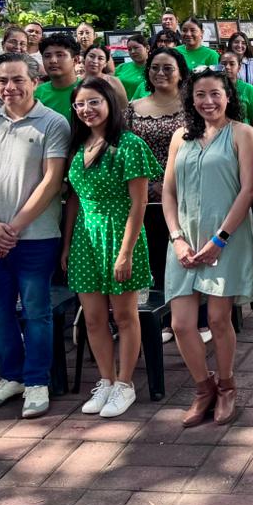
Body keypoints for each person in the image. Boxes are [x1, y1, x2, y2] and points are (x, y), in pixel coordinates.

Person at [0, 53, 70, 420]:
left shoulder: (53, 123)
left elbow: (52, 181)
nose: (9, 88)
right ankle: (11, 376)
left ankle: (37, 380)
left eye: (17, 80)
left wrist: (15, 227)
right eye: (2, 81)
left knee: (36, 312)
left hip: (36, 237)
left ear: (34, 81)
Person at [161, 69, 253, 427]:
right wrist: (176, 237)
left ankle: (228, 385)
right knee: (182, 323)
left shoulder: (241, 133)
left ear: (228, 95)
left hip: (225, 239)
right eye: (200, 95)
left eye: (215, 94)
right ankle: (204, 388)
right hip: (184, 241)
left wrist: (220, 239)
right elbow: (168, 191)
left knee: (218, 319)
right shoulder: (180, 137)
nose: (208, 101)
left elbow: (248, 190)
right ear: (191, 99)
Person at [62, 78, 160, 419]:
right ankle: (104, 380)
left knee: (124, 315)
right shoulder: (78, 145)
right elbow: (73, 199)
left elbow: (140, 203)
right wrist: (67, 243)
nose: (87, 110)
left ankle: (124, 384)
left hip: (120, 233)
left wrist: (126, 252)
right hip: (86, 239)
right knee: (92, 318)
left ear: (110, 104)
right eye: (80, 104)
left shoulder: (129, 145)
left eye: (94, 102)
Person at [125, 47, 189, 312]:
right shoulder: (132, 109)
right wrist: (148, 186)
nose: (160, 73)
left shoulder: (194, 106)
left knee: (181, 254)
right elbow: (125, 152)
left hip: (184, 193)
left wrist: (169, 185)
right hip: (143, 195)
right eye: (155, 68)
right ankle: (155, 315)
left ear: (180, 73)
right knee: (151, 257)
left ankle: (188, 315)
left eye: (167, 68)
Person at [34, 33, 82, 122]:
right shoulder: (36, 95)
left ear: (75, 60)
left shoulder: (89, 90)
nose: (53, 60)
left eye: (60, 55)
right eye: (47, 56)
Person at [218, 51, 253, 129]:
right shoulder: (212, 89)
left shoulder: (248, 89)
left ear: (239, 68)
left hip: (243, 136)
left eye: (232, 64)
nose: (227, 67)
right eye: (224, 64)